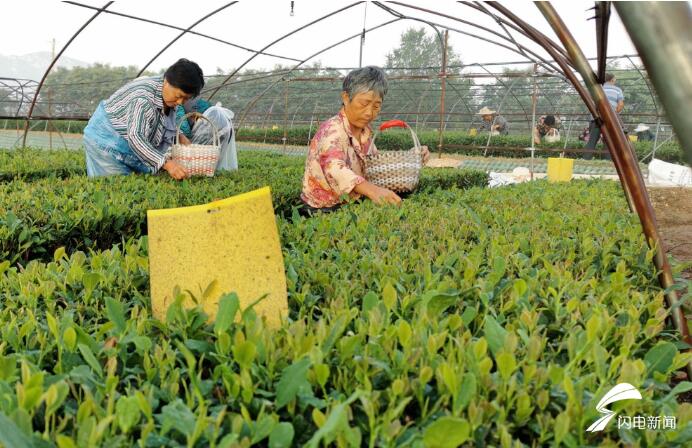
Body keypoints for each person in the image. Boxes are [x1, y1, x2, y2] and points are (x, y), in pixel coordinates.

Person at [301, 66, 429, 211]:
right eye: (364, 103)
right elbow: (334, 168)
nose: (369, 113)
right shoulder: (332, 130)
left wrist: (412, 156)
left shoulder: (365, 135)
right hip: (323, 210)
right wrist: (373, 191)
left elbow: (376, 167)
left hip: (352, 206)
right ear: (345, 98)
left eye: (376, 106)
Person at [83, 58, 204, 179]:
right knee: (112, 189)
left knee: (136, 186)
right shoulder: (143, 98)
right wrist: (167, 164)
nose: (180, 102)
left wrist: (180, 136)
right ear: (167, 81)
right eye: (179, 96)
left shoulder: (168, 95)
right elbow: (136, 136)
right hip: (106, 141)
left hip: (128, 143)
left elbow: (162, 120)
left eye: (186, 99)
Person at [177, 97, 238, 171]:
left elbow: (183, 128)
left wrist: (185, 137)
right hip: (221, 123)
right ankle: (214, 165)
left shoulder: (178, 104)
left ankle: (203, 165)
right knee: (216, 146)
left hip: (213, 122)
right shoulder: (194, 103)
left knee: (203, 148)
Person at [584, 72, 624, 158]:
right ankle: (605, 161)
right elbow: (620, 104)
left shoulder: (597, 89)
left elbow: (590, 100)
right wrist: (615, 114)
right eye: (615, 79)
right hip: (610, 119)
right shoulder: (617, 90)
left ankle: (585, 159)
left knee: (592, 140)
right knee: (609, 142)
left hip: (596, 118)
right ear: (612, 80)